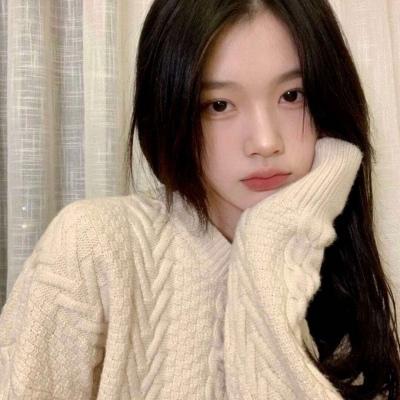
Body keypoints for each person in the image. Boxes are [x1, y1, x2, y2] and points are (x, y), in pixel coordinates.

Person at [0, 0, 399, 398]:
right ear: (170, 109)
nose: (265, 142)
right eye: (219, 105)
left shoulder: (341, 274)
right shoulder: (92, 247)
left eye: (293, 96)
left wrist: (271, 244)